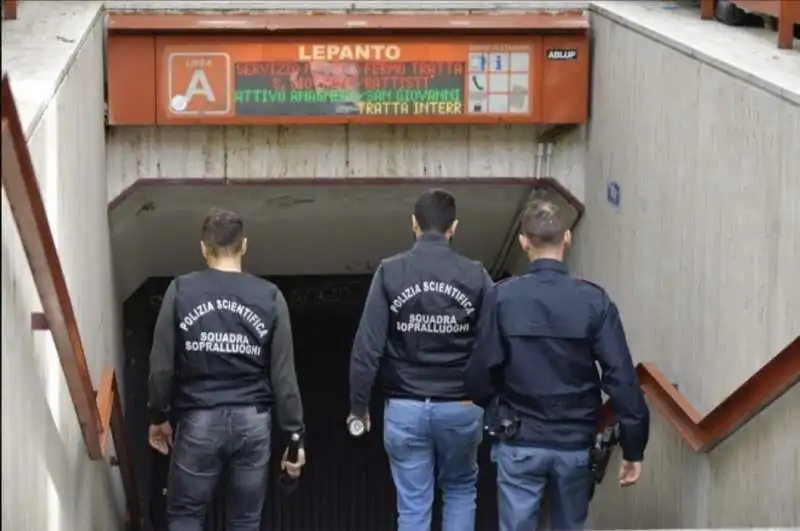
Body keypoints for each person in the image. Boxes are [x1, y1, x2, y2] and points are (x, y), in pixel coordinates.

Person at [465, 199, 650, 531]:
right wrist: (633, 447)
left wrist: (494, 404)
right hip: (575, 444)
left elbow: (479, 374)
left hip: (519, 439)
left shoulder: (501, 298)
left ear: (523, 242)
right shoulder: (595, 301)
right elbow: (622, 379)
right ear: (567, 238)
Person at [147, 207, 306, 531]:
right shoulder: (269, 296)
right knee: (245, 521)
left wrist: (158, 417)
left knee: (185, 517)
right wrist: (295, 435)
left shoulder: (181, 290)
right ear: (244, 245)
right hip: (253, 423)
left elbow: (161, 364)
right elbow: (284, 377)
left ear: (203, 248)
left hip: (199, 420)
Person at [348, 189, 494, 531]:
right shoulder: (476, 275)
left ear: (413, 224)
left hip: (405, 408)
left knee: (413, 505)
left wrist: (359, 406)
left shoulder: (389, 272)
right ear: (453, 227)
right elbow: (492, 345)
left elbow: (367, 347)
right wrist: (487, 398)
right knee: (459, 490)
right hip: (460, 405)